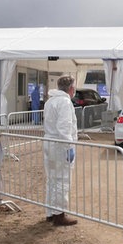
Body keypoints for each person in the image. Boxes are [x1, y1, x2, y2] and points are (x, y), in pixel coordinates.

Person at [43, 75, 78, 226]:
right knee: (62, 180)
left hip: (50, 142)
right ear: (71, 88)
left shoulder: (51, 101)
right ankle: (59, 215)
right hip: (59, 145)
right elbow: (64, 128)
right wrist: (69, 147)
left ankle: (50, 212)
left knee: (51, 179)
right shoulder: (64, 102)